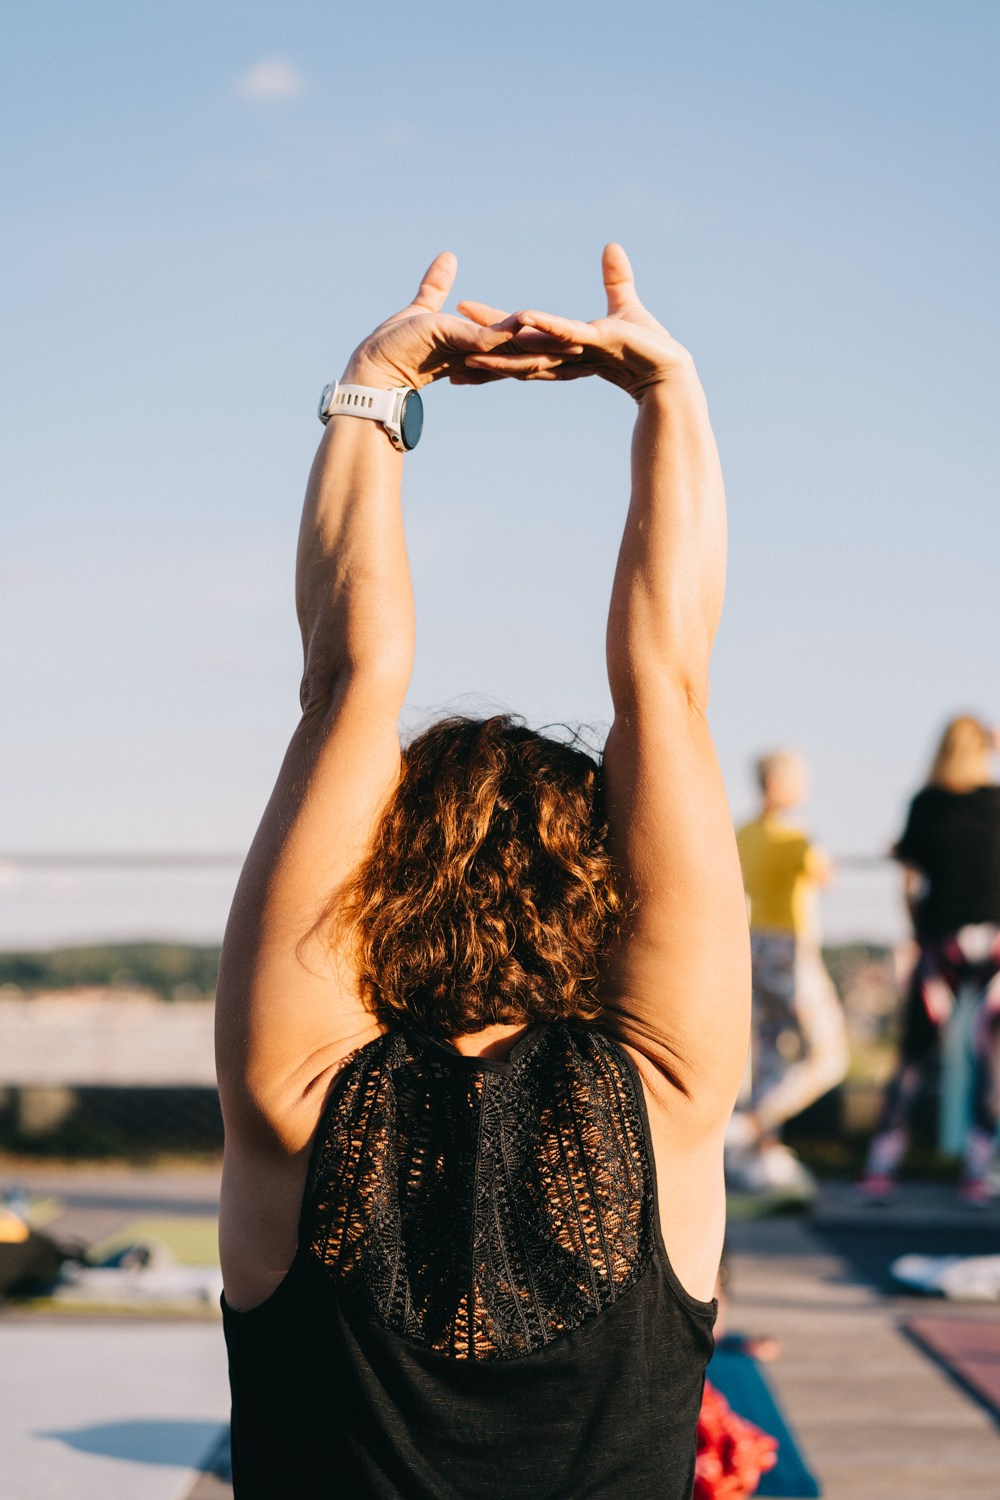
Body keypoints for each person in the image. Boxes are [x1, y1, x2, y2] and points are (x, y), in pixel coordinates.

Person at [215, 245, 751, 1499]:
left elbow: (347, 680)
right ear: (599, 889)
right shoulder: (665, 1097)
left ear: (377, 878)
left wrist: (376, 382)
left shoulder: (294, 1095)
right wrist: (668, 393)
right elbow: (666, 687)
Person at [859, 715, 1000, 1204]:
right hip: (994, 946)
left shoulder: (925, 803)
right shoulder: (996, 802)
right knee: (991, 1060)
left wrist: (918, 933)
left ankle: (880, 1168)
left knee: (915, 1056)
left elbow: (909, 881)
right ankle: (977, 1176)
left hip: (940, 942)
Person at [730, 751, 848, 1196]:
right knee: (829, 1055)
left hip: (753, 946)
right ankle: (753, 1126)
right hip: (790, 948)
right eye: (798, 779)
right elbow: (825, 878)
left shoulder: (742, 833)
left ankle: (765, 1153)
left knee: (770, 1050)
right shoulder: (797, 839)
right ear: (776, 783)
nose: (804, 787)